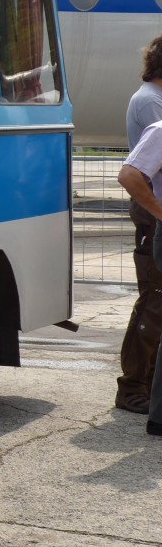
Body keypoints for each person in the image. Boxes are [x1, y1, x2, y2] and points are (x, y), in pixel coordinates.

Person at [116, 37, 162, 414]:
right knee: (154, 299)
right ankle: (134, 387)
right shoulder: (151, 102)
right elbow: (137, 170)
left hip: (154, 208)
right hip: (153, 211)